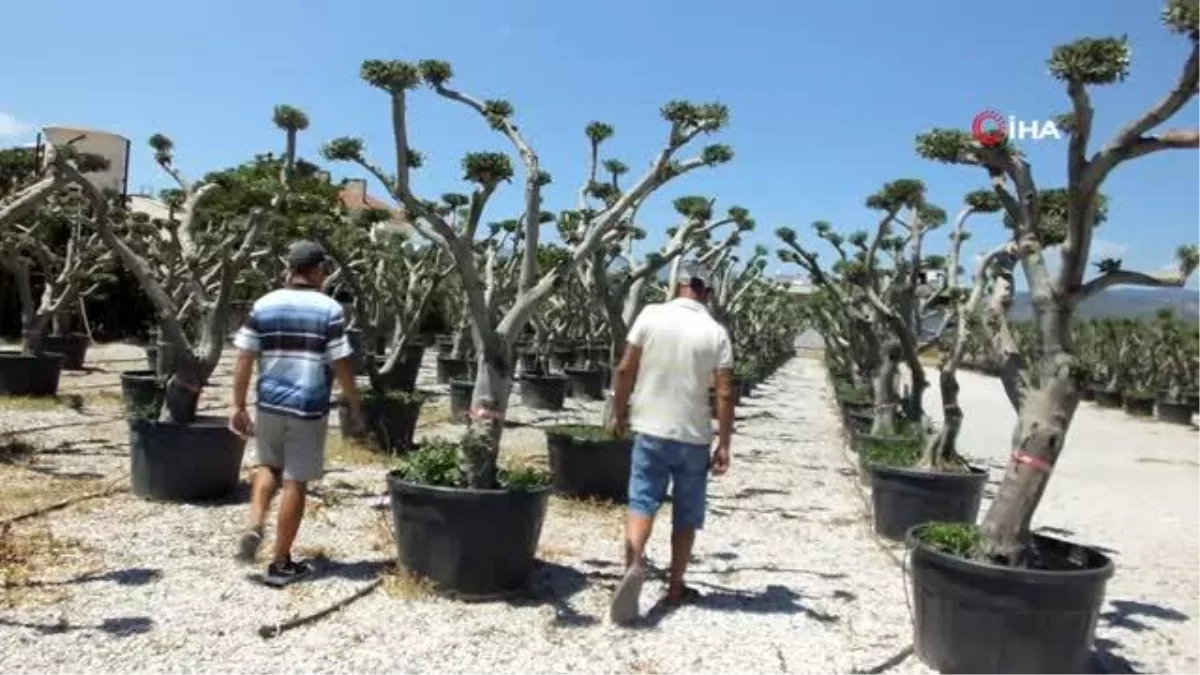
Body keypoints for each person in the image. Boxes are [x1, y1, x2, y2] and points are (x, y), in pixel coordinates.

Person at [228, 239, 364, 587]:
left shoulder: (264, 304)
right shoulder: (329, 309)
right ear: (319, 270)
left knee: (268, 466)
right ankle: (280, 562)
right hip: (307, 407)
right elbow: (340, 360)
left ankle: (254, 524)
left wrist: (237, 405)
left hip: (269, 403)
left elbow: (244, 356)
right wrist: (353, 400)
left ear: (289, 269)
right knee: (295, 480)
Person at [607, 260, 734, 625]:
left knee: (642, 501)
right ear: (707, 293)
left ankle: (633, 564)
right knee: (686, 513)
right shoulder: (716, 332)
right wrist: (724, 443)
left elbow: (625, 368)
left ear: (677, 285)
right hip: (693, 437)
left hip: (650, 429)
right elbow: (725, 393)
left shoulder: (650, 315)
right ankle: (676, 587)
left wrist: (618, 412)